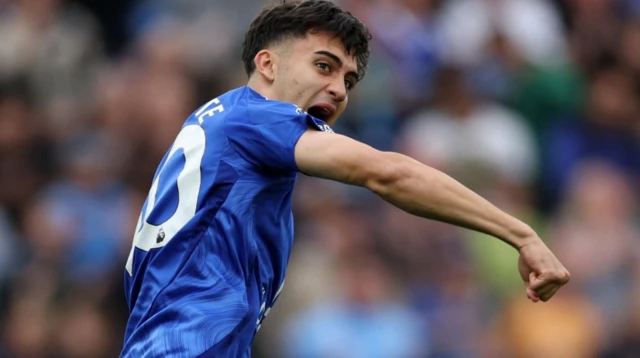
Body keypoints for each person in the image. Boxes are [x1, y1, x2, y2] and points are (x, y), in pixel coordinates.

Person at [121, 1, 570, 357]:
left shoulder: (221, 123)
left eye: (348, 79)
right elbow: (388, 172)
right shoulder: (254, 119)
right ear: (268, 64)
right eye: (323, 65)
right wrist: (521, 233)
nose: (339, 88)